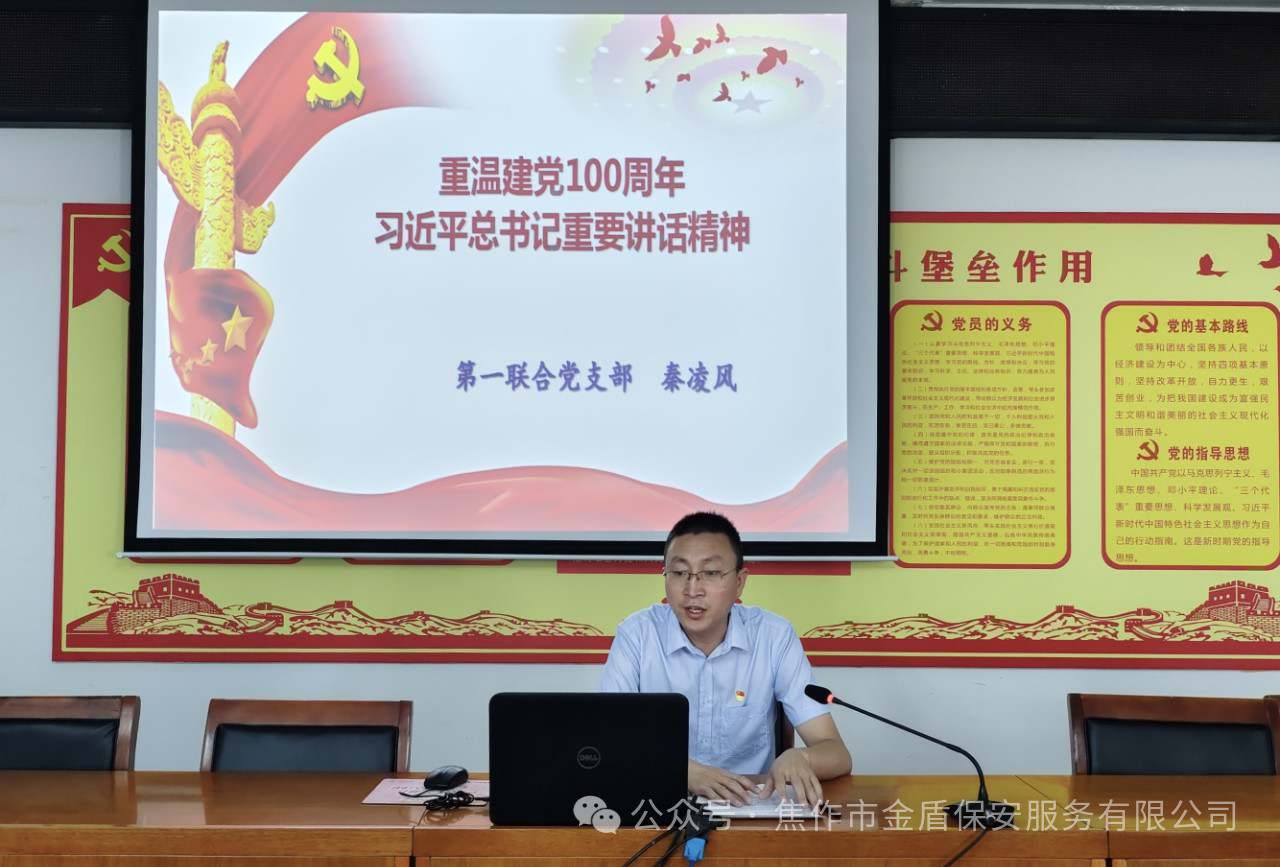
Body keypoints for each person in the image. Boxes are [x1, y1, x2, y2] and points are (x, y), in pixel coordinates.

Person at [601, 511, 851, 807]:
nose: (692, 590)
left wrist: (802, 757)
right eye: (679, 572)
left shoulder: (773, 637)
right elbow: (608, 744)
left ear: (739, 582)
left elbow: (836, 753)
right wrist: (681, 770)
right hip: (658, 804)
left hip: (748, 808)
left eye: (710, 573)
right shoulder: (637, 635)